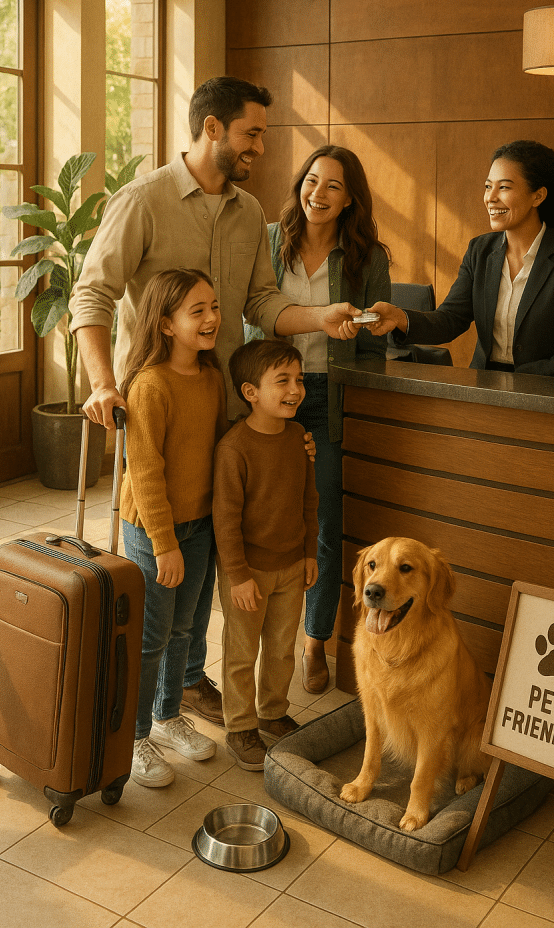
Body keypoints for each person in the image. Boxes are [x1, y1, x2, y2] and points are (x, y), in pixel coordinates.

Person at [70, 76, 360, 726]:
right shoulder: (142, 200)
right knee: (159, 556)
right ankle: (138, 716)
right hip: (159, 413)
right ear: (211, 129)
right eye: (251, 133)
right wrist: (102, 383)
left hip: (224, 409)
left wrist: (321, 318)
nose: (260, 146)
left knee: (204, 555)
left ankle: (183, 684)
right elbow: (91, 293)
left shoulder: (248, 211)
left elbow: (261, 302)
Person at [246, 145, 391, 693]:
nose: (318, 193)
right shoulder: (267, 240)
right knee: (263, 515)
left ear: (350, 198)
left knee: (326, 521)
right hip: (268, 394)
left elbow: (374, 346)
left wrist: (360, 337)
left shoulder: (368, 258)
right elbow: (250, 312)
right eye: (311, 180)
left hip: (328, 396)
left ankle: (314, 642)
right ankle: (262, 640)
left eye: (333, 185)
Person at [354, 140, 554, 380]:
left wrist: (524, 380)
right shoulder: (480, 251)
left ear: (537, 196)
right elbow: (450, 319)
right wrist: (400, 318)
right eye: (488, 186)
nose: (490, 197)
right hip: (486, 386)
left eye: (504, 187)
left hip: (550, 391)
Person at [120, 268, 229, 787]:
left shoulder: (212, 377)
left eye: (214, 307)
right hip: (153, 531)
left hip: (199, 525)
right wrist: (164, 545)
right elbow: (144, 473)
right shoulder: (150, 385)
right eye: (197, 311)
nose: (211, 318)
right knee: (151, 638)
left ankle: (167, 717)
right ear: (166, 324)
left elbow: (220, 447)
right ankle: (135, 735)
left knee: (186, 629)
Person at [213, 340, 319, 771]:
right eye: (283, 381)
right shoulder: (234, 448)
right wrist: (238, 576)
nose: (295, 389)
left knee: (281, 648)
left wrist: (309, 553)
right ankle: (239, 726)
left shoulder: (299, 438)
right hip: (248, 572)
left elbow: (309, 500)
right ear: (250, 392)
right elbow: (225, 520)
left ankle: (272, 713)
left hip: (292, 566)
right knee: (241, 652)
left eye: (299, 380)